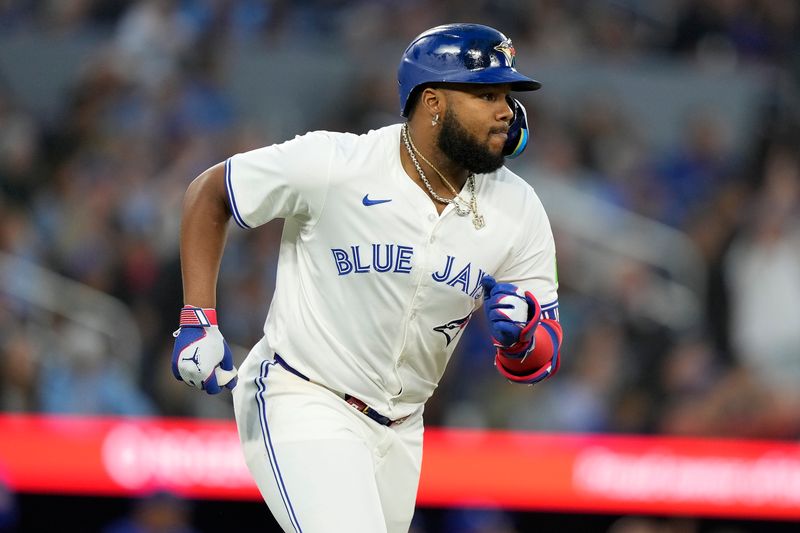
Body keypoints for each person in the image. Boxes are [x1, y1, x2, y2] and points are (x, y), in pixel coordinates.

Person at [171, 23, 563, 533]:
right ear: (433, 103)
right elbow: (210, 192)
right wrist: (198, 316)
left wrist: (524, 337)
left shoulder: (520, 209)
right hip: (305, 394)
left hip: (402, 427)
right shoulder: (338, 164)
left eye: (507, 96)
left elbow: (542, 357)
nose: (505, 110)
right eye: (486, 94)